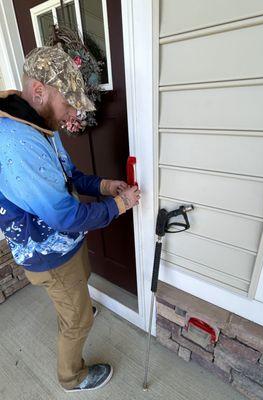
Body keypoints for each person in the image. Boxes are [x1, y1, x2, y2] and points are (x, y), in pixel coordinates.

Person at [0, 45, 141, 392]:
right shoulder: (16, 144)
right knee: (77, 320)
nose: (73, 112)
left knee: (78, 282)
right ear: (39, 91)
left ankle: (75, 309)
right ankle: (71, 377)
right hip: (46, 254)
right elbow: (66, 215)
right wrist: (120, 205)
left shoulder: (39, 124)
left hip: (63, 244)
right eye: (69, 101)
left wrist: (105, 185)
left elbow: (68, 174)